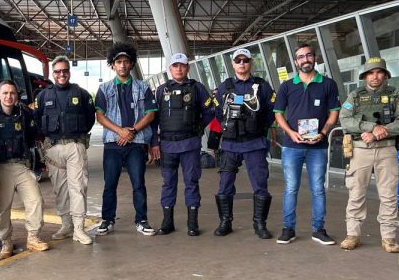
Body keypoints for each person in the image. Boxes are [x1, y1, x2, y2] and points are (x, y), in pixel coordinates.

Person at [338, 57, 399, 253]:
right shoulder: (355, 95)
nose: (375, 76)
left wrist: (382, 130)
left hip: (387, 149)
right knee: (356, 193)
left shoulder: (395, 95)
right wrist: (371, 127)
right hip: (360, 150)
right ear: (364, 76)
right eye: (371, 72)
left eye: (379, 72)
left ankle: (389, 238)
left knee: (388, 196)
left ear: (385, 75)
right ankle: (353, 235)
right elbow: (344, 119)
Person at [272, 44, 340, 245]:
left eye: (308, 55)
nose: (305, 59)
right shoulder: (286, 86)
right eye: (301, 57)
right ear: (296, 62)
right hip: (292, 145)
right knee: (291, 188)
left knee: (318, 188)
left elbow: (334, 111)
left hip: (317, 146)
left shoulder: (328, 84)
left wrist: (323, 133)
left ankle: (318, 229)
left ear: (314, 58)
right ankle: (288, 229)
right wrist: (290, 133)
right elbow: (278, 114)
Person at [94, 42, 157, 236]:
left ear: (131, 64)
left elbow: (150, 114)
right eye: (118, 62)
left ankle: (142, 220)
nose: (122, 65)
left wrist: (132, 131)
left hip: (136, 144)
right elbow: (100, 115)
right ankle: (107, 219)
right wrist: (120, 131)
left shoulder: (142, 87)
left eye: (126, 62)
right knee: (110, 183)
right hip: (113, 144)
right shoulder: (104, 89)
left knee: (138, 183)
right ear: (112, 65)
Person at [212, 48, 275, 239]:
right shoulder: (224, 86)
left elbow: (272, 111)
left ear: (251, 63)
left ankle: (260, 224)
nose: (241, 64)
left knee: (260, 184)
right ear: (232, 64)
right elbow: (217, 111)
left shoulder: (262, 86)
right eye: (238, 60)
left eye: (245, 60)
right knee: (225, 185)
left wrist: (258, 128)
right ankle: (225, 222)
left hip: (254, 143)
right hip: (230, 145)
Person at [34, 56, 96, 245]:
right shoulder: (43, 96)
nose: (61, 74)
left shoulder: (82, 93)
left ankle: (79, 228)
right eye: (58, 71)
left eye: (65, 70)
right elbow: (37, 119)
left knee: (77, 187)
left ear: (69, 71)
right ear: (52, 74)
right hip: (53, 148)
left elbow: (90, 119)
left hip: (74, 146)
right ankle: (66, 226)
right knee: (60, 189)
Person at [151, 53, 215, 236]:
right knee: (168, 183)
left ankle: (192, 223)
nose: (179, 69)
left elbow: (210, 111)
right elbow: (153, 118)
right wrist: (154, 143)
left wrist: (199, 127)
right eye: (175, 66)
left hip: (190, 144)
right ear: (170, 69)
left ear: (188, 68)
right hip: (167, 145)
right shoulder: (160, 90)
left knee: (191, 182)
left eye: (182, 65)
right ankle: (167, 222)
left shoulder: (198, 88)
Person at [0, 80, 49, 260]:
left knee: (35, 199)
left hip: (22, 165)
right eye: (5, 93)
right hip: (1, 167)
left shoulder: (24, 113)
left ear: (17, 95)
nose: (9, 96)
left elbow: (34, 135)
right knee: (2, 207)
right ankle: (5, 242)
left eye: (12, 93)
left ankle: (33, 237)